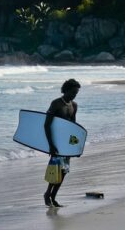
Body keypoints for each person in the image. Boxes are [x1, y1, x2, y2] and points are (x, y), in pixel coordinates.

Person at [43, 78, 81, 207]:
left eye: (76, 93)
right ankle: (47, 194)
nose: (75, 95)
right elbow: (47, 125)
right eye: (73, 92)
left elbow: (73, 128)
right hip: (56, 142)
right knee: (55, 170)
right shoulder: (56, 104)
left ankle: (53, 197)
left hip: (66, 143)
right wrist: (51, 145)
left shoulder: (74, 105)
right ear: (66, 90)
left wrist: (75, 148)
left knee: (64, 171)